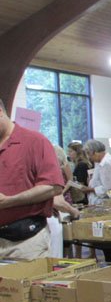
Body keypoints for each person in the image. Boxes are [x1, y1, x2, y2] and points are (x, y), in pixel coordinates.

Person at [0, 98, 64, 259]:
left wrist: (9, 201)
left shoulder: (35, 141)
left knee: (28, 283)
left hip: (25, 241)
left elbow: (53, 186)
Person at [82, 139, 111, 205]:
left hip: (105, 202)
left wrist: (90, 189)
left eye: (89, 154)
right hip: (97, 201)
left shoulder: (107, 163)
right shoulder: (99, 162)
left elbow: (108, 189)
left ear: (95, 152)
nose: (88, 157)